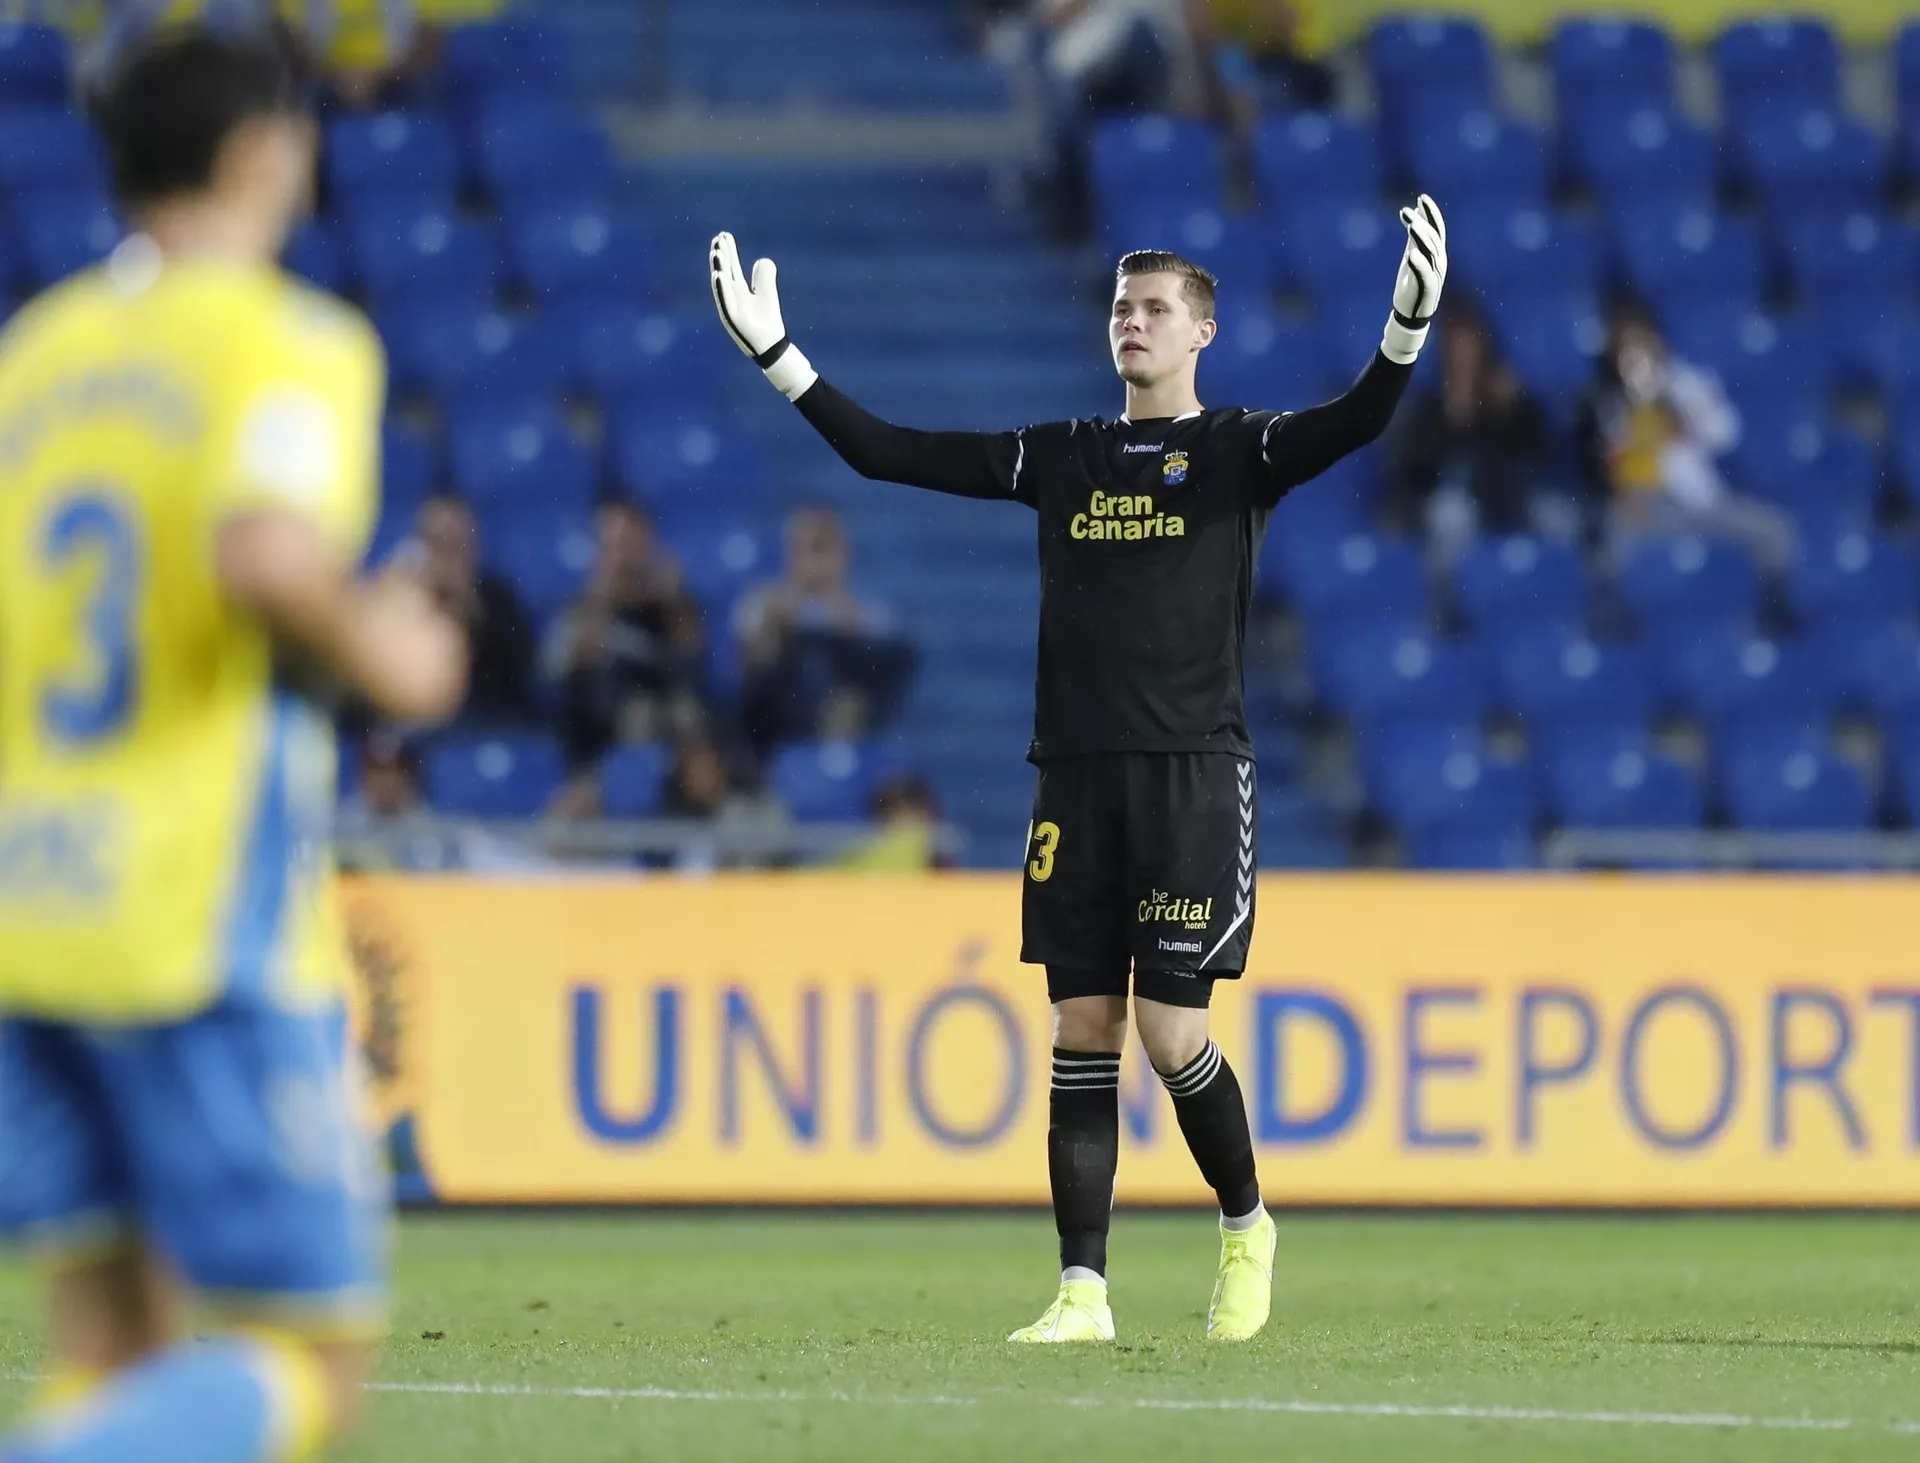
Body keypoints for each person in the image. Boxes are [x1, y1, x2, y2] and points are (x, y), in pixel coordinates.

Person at [709, 194, 1447, 1343]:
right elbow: (889, 452)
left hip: (1193, 773)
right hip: (1076, 777)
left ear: (1203, 330)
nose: (1134, 324)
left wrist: (1402, 331)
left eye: (1157, 309)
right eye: (1122, 308)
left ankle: (1247, 1222)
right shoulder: (1061, 456)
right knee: (1083, 1026)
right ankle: (1082, 1291)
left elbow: (1356, 419)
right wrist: (780, 358)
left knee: (1171, 1032)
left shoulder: (1236, 449)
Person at [0, 23, 466, 1463]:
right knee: (307, 1357)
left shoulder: (39, 354)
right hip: (195, 914)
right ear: (265, 152)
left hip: (30, 901)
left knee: (108, 1339)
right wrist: (397, 643)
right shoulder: (285, 339)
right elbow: (264, 548)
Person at [1576, 302, 1794, 573]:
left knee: (1773, 529)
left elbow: (1725, 435)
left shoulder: (1686, 382)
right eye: (1622, 346)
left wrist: (1682, 411)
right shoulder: (1600, 398)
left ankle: (1777, 610)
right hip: (1640, 506)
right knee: (1608, 559)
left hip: (1697, 499)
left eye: (1640, 342)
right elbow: (1591, 460)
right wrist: (1614, 495)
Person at [541, 498, 706, 776]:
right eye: (613, 545)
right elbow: (552, 677)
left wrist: (674, 606)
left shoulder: (672, 610)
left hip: (672, 732)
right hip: (599, 749)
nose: (623, 557)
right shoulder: (578, 611)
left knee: (687, 716)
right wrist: (600, 603)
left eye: (630, 544)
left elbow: (694, 667)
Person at [733, 507, 917, 753]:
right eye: (808, 549)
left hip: (839, 716)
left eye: (824, 549)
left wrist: (836, 602)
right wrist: (792, 599)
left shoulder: (869, 613)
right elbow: (752, 661)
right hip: (775, 721)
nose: (816, 562)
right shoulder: (761, 602)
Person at [1384, 306, 1547, 553]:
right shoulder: (1430, 403)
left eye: (1470, 346)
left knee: (1556, 517)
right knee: (1452, 514)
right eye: (1457, 347)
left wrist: (1510, 412)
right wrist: (1452, 419)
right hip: (1445, 499)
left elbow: (1534, 450)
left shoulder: (1500, 397)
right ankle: (1452, 589)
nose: (1464, 356)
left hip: (1502, 494)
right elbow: (1413, 468)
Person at [407, 493, 533, 725]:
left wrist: (472, 611)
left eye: (456, 544)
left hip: (485, 721)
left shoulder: (497, 598)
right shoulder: (403, 601)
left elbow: (521, 673)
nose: (448, 558)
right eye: (439, 544)